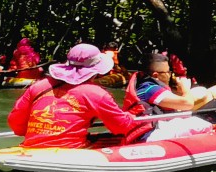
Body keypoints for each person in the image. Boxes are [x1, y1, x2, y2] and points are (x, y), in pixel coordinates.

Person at [8, 44, 149, 148]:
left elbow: (16, 125)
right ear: (97, 71)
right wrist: (134, 117)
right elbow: (121, 127)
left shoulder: (39, 86)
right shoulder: (97, 94)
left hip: (31, 146)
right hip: (70, 149)